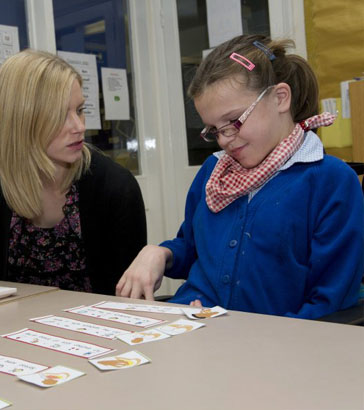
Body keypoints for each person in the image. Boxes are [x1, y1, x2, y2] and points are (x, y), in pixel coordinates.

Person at [116, 34, 364, 319]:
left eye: (233, 121)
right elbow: (192, 248)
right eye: (214, 129)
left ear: (280, 98)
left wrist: (248, 341)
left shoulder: (329, 181)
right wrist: (159, 254)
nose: (224, 140)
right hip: (193, 326)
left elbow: (330, 299)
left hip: (277, 344)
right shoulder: (214, 171)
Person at [0, 49, 147, 295]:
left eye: (79, 110)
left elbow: (128, 301)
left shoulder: (115, 187)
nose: (79, 127)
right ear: (21, 121)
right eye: (60, 116)